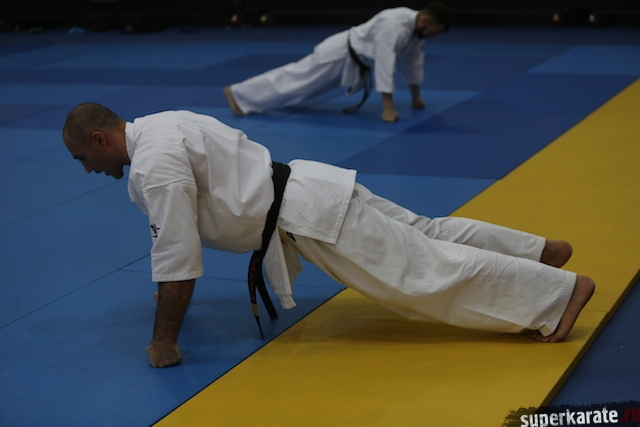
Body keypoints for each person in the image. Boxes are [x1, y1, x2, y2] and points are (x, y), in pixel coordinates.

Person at [62, 103, 595, 368]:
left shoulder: (153, 164)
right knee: (427, 234)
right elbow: (172, 240)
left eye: (83, 157)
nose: (86, 169)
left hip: (307, 216)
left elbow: (178, 255)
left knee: (420, 273)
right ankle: (537, 251)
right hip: (309, 184)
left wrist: (164, 341)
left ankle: (558, 293)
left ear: (100, 138)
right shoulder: (161, 123)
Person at [224, 3, 451, 122]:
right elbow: (385, 64)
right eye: (434, 31)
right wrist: (388, 108)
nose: (433, 37)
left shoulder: (415, 33)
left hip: (351, 61)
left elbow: (413, 63)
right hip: (339, 54)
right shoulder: (394, 24)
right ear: (425, 20)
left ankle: (252, 86)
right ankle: (239, 94)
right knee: (297, 82)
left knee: (300, 86)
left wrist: (415, 97)